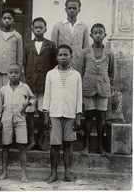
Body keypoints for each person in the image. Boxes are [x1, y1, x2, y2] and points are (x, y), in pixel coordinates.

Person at [43, 44, 82, 183]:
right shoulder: (51, 74)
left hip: (70, 114)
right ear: (56, 57)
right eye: (60, 55)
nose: (63, 57)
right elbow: (47, 94)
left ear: (71, 56)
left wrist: (78, 116)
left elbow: (79, 96)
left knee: (68, 144)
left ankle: (67, 173)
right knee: (55, 145)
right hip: (54, 113)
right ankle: (53, 173)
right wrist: (46, 114)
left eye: (66, 55)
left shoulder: (76, 75)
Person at [78, 23, 115, 157]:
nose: (98, 35)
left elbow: (111, 73)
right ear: (91, 35)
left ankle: (100, 146)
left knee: (101, 117)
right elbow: (80, 71)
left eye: (100, 33)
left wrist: (107, 84)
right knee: (88, 116)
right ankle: (86, 145)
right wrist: (83, 85)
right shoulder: (85, 52)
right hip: (88, 88)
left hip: (103, 89)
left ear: (105, 35)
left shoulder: (110, 53)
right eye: (95, 33)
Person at [0, 63, 35, 183]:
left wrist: (28, 104)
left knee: (22, 146)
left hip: (20, 119)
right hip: (6, 118)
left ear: (21, 73)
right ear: (7, 74)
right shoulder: (3, 89)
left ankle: (24, 174)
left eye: (16, 73)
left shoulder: (25, 87)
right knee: (6, 145)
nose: (13, 75)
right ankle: (4, 172)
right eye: (11, 73)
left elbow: (33, 98)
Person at [23, 17, 57, 151]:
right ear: (32, 29)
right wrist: (28, 80)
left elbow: (54, 65)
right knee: (30, 113)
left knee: (43, 113)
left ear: (45, 29)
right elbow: (25, 65)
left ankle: (41, 140)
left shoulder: (50, 45)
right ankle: (31, 140)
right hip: (31, 87)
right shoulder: (28, 46)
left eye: (40, 27)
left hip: (45, 86)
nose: (38, 30)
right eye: (36, 27)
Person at [0, 9, 23, 107]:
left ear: (13, 21)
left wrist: (18, 71)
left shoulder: (17, 36)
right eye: (5, 18)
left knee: (8, 94)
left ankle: (6, 118)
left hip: (10, 71)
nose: (7, 20)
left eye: (9, 18)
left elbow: (20, 55)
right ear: (1, 20)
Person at [51, 0, 89, 69]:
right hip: (62, 63)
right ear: (66, 10)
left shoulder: (84, 27)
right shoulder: (58, 26)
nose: (72, 10)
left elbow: (86, 48)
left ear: (79, 10)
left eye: (74, 8)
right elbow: (54, 47)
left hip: (78, 63)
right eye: (69, 8)